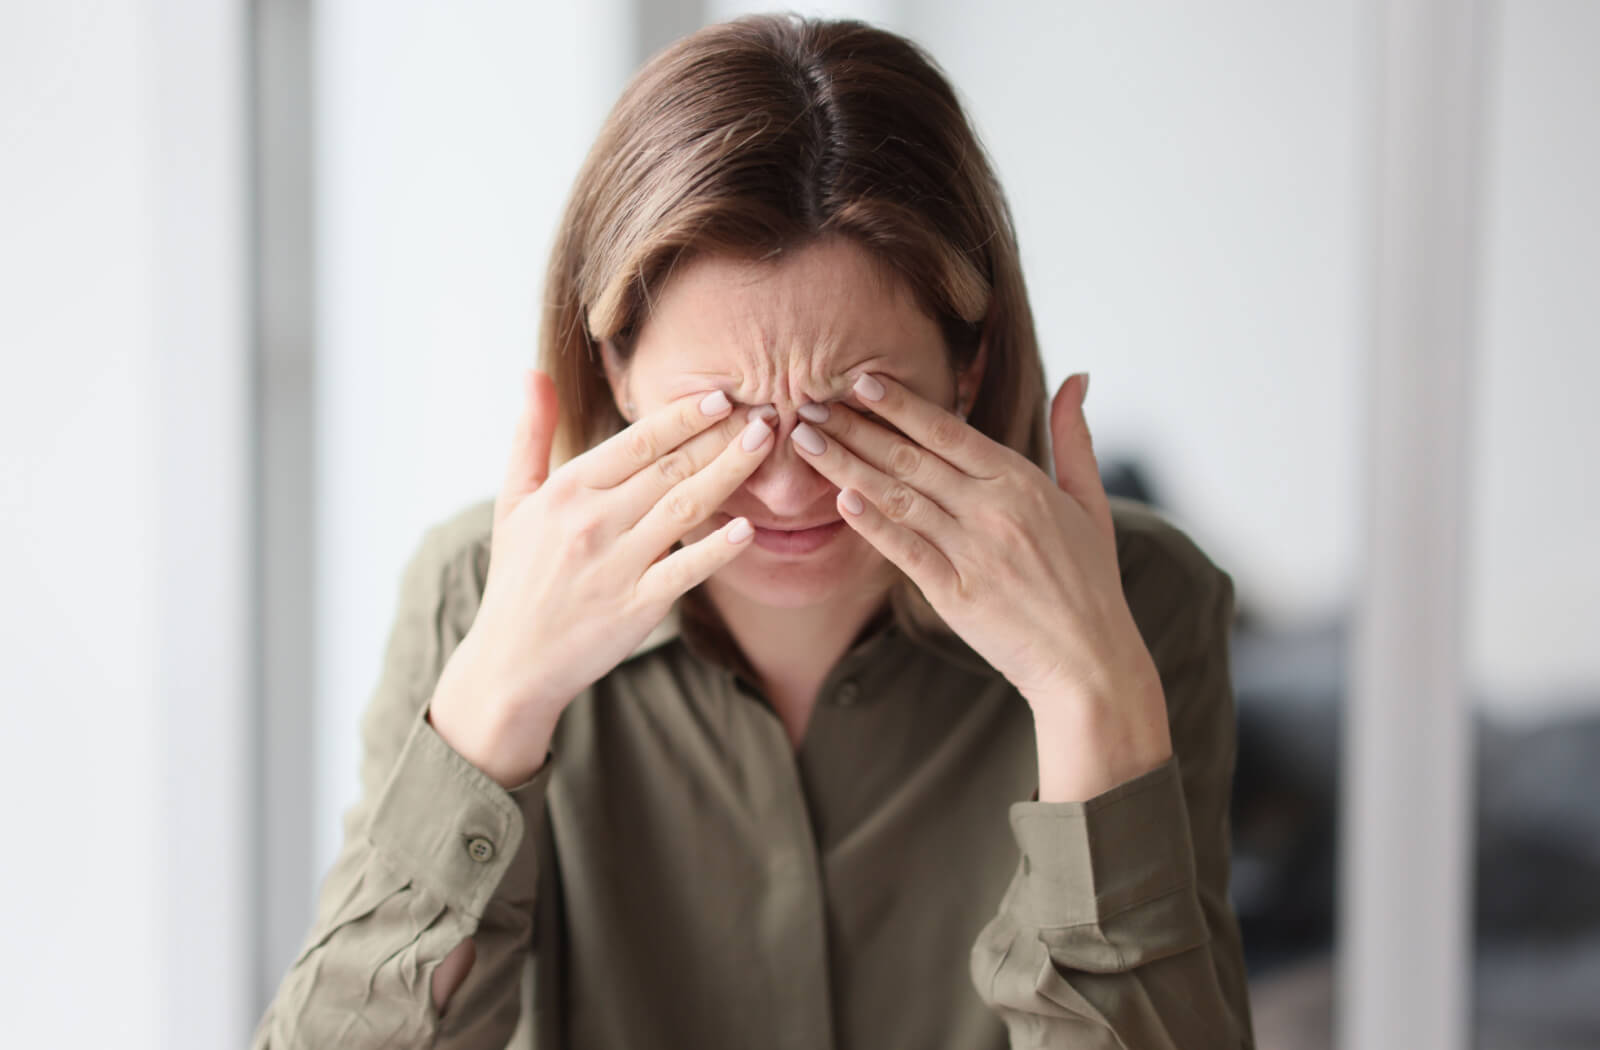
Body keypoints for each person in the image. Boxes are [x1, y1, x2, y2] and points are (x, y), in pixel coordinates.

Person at [252, 13, 1254, 1049]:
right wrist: (496, 703)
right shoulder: (474, 593)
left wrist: (1090, 699)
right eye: (721, 416)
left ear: (968, 359)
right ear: (615, 368)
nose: (781, 490)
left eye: (854, 410)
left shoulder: (1140, 605)